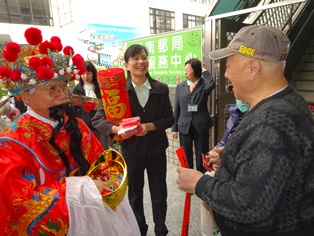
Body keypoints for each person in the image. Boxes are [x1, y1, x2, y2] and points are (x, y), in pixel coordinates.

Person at [0, 27, 140, 235]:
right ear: (26, 96)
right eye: (52, 89)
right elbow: (21, 205)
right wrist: (86, 189)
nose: (63, 94)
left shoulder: (77, 126)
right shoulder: (12, 143)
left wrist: (109, 180)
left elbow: (100, 161)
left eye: (64, 86)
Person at [176, 25, 314, 235]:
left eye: (229, 64)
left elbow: (250, 206)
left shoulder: (272, 121)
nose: (226, 73)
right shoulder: (286, 102)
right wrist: (234, 155)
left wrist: (199, 183)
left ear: (252, 69)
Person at [92, 44, 174, 236]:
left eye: (144, 57)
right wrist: (117, 129)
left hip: (156, 150)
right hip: (131, 151)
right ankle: (139, 230)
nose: (141, 62)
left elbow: (169, 118)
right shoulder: (117, 91)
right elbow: (98, 118)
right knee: (135, 195)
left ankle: (161, 230)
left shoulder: (160, 89)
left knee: (159, 194)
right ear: (126, 64)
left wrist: (149, 126)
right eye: (135, 58)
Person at [201, 98, 249, 236]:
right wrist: (216, 151)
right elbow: (226, 139)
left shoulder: (260, 117)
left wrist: (225, 158)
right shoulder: (235, 113)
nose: (237, 95)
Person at [171, 58, 215, 173]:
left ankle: (201, 177)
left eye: (188, 70)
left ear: (196, 70)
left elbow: (212, 83)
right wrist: (174, 129)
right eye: (185, 69)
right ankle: (188, 176)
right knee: (186, 153)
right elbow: (177, 107)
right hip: (184, 125)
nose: (185, 72)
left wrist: (204, 69)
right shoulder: (180, 87)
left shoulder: (204, 85)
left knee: (202, 152)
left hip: (201, 125)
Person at [72, 60, 109, 149]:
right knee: (88, 151)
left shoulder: (100, 88)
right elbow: (74, 110)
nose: (86, 76)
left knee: (102, 149)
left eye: (88, 73)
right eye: (83, 74)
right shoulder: (77, 90)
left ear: (93, 73)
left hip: (101, 126)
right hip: (85, 127)